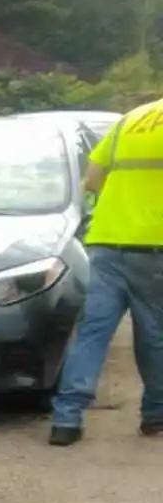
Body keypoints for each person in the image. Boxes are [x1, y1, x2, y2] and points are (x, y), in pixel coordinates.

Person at [49, 98, 163, 446]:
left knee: (93, 332)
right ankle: (156, 415)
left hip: (106, 242)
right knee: (153, 334)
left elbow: (93, 180)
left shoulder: (133, 118)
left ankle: (66, 420)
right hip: (155, 248)